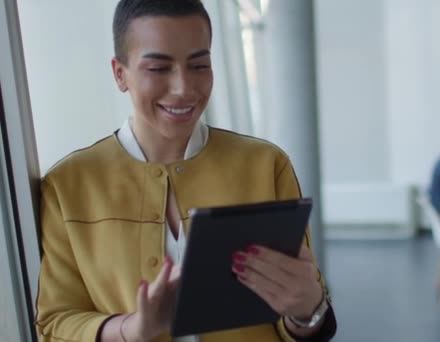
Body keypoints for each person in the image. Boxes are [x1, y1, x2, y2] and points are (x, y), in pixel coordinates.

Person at [35, 1, 336, 341]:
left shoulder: (266, 165)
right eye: (158, 68)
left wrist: (307, 309)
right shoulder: (67, 186)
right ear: (120, 73)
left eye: (198, 65)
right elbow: (54, 324)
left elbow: (307, 314)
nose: (183, 87)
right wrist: (131, 329)